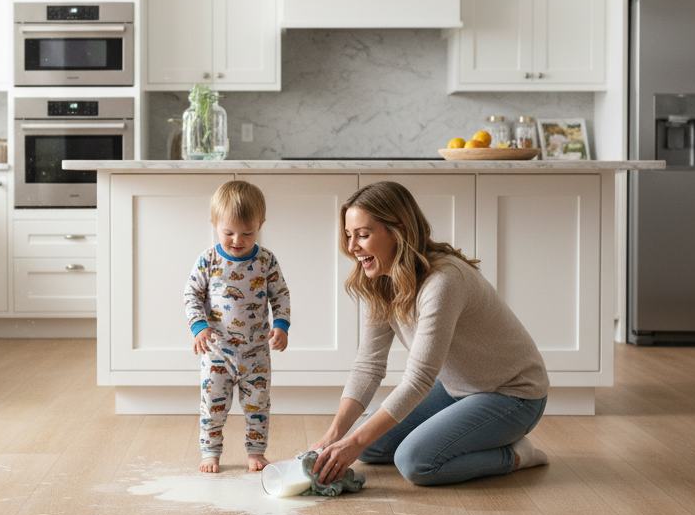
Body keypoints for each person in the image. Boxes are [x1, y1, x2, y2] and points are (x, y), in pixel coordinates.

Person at [312, 180, 549, 487]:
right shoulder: (381, 279)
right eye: (348, 235)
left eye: (363, 235)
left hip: (513, 395)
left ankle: (516, 455)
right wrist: (335, 436)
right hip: (456, 388)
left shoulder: (443, 282)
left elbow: (418, 380)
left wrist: (351, 442)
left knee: (414, 461)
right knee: (368, 445)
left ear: (399, 231)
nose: (351, 247)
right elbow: (368, 366)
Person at [185, 181, 291, 474]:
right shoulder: (208, 261)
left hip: (256, 351)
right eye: (228, 232)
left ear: (261, 224)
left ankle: (256, 452)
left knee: (258, 404)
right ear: (214, 223)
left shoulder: (266, 261)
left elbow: (280, 294)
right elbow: (191, 295)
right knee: (213, 406)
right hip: (216, 352)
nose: (237, 240)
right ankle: (210, 451)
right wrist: (199, 327)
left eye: (248, 232)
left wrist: (281, 326)